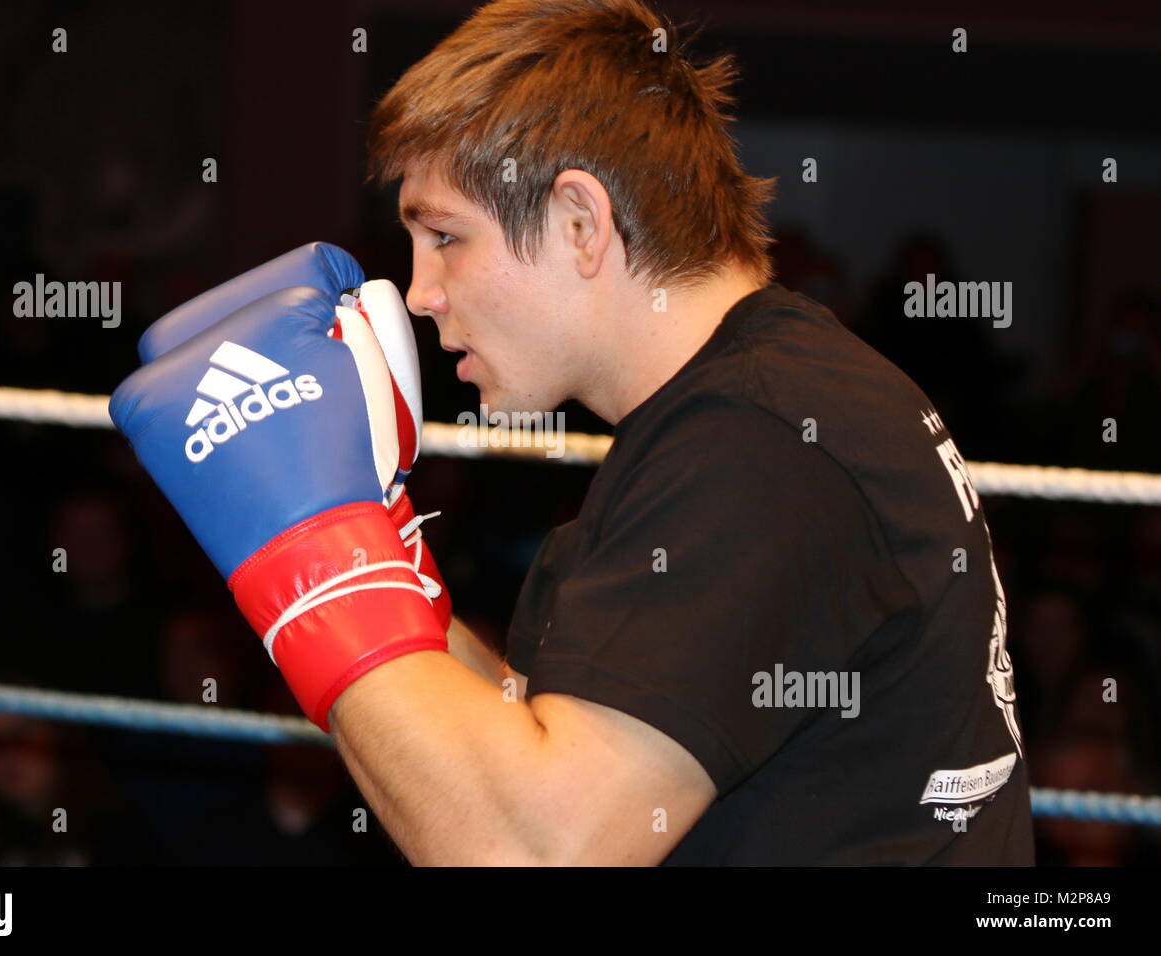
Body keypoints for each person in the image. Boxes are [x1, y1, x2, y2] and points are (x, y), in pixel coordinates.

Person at [111, 0, 1034, 864]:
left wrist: (309, 555)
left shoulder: (757, 441)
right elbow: (535, 740)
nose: (422, 293)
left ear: (580, 222)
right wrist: (370, 537)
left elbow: (530, 851)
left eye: (445, 237)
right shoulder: (763, 399)